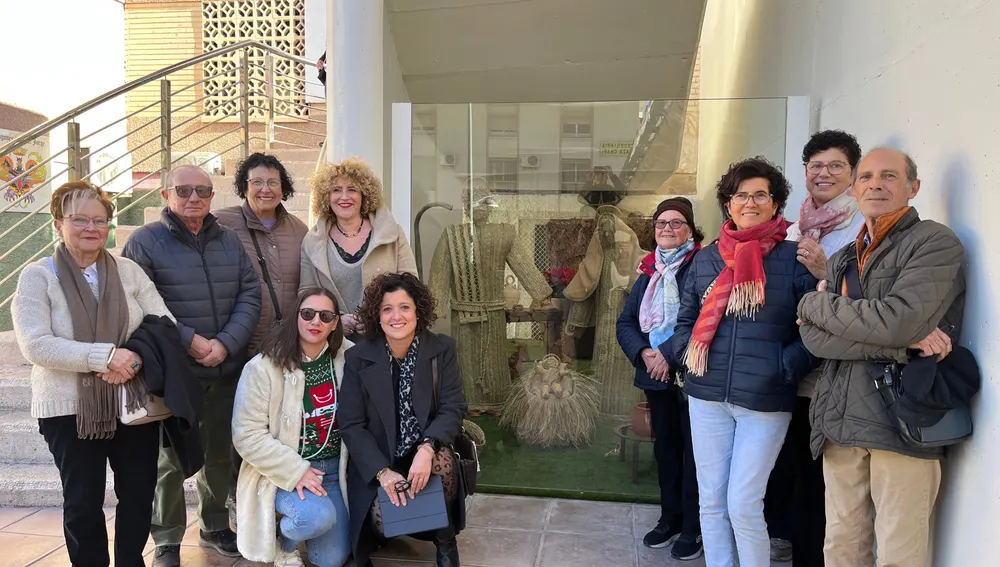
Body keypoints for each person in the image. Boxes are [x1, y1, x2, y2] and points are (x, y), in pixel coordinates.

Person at [797, 148, 966, 567]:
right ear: (854, 189)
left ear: (913, 186)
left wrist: (816, 306)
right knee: (840, 547)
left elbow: (898, 320)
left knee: (899, 553)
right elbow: (815, 341)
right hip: (839, 419)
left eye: (889, 176)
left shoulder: (934, 242)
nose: (876, 184)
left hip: (902, 421)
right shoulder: (842, 258)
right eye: (867, 176)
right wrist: (898, 342)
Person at [11, 181, 174, 567]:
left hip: (133, 404)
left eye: (99, 220)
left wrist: (133, 357)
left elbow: (164, 322)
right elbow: (35, 344)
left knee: (138, 493)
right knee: (83, 501)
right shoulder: (37, 277)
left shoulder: (129, 271)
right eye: (79, 219)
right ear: (57, 224)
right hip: (67, 408)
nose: (91, 228)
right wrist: (105, 357)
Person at [671, 157, 818, 567]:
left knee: (743, 503)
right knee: (711, 503)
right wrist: (689, 358)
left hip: (765, 400)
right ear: (728, 204)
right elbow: (685, 320)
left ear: (775, 204)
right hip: (706, 396)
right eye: (740, 195)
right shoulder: (706, 259)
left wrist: (783, 366)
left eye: (760, 195)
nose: (749, 202)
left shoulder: (794, 259)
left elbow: (815, 329)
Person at [123, 164, 262, 567]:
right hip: (174, 371)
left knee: (220, 454)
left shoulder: (229, 241)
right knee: (169, 461)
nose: (194, 198)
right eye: (183, 190)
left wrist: (226, 343)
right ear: (165, 195)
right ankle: (166, 539)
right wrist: (191, 341)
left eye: (202, 190)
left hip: (225, 368)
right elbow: (141, 307)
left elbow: (249, 293)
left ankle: (215, 524)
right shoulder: (144, 242)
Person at [764, 129, 865, 565]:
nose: (824, 173)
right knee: (786, 460)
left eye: (835, 165)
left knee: (818, 474)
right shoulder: (794, 226)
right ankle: (783, 533)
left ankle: (809, 552)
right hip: (790, 364)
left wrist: (827, 269)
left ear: (853, 174)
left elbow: (870, 303)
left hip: (832, 372)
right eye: (816, 166)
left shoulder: (863, 226)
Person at [339, 272, 468, 567]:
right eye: (387, 309)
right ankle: (409, 519)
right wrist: (383, 473)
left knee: (442, 463)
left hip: (423, 448)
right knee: (385, 523)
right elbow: (351, 424)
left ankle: (445, 538)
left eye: (405, 307)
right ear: (378, 316)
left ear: (418, 311)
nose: (396, 316)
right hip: (378, 460)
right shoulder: (359, 358)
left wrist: (426, 449)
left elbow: (453, 407)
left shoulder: (441, 349)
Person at [215, 152, 309, 528]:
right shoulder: (222, 223)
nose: (265, 189)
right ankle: (240, 505)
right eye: (256, 182)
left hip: (287, 349)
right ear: (244, 186)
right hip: (240, 346)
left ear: (283, 187)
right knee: (243, 430)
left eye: (272, 182)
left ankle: (278, 502)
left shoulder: (300, 230)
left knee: (282, 429)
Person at [232, 288, 352, 567]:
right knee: (317, 518)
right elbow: (246, 435)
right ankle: (283, 542)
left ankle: (305, 523)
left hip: (334, 471)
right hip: (283, 472)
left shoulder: (349, 357)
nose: (315, 322)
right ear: (296, 316)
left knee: (331, 559)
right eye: (307, 314)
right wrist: (296, 471)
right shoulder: (263, 367)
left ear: (335, 323)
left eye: (325, 316)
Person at [616, 197, 703, 560]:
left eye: (676, 222)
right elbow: (626, 322)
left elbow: (701, 319)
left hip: (692, 375)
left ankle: (693, 527)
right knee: (665, 449)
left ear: (690, 229)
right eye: (661, 223)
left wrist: (667, 354)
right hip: (655, 375)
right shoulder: (648, 271)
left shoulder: (702, 265)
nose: (667, 229)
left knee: (695, 453)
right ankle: (669, 518)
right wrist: (645, 353)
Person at [300, 157, 417, 340]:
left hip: (386, 340)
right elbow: (306, 294)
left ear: (364, 195)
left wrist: (378, 316)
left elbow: (410, 285)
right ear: (326, 197)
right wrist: (336, 321)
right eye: (336, 190)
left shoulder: (392, 233)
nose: (344, 197)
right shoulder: (312, 241)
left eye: (352, 190)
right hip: (334, 343)